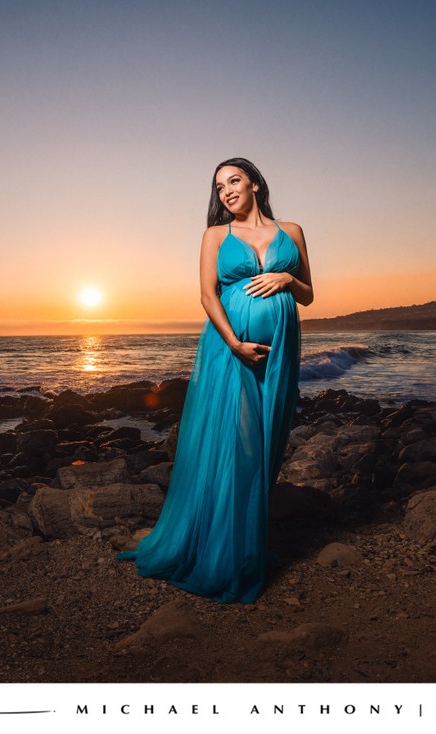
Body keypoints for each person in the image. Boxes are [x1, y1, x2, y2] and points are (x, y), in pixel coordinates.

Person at [117, 157, 313, 603]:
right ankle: (221, 555)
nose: (225, 191)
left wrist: (286, 277)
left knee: (266, 444)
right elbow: (207, 295)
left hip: (281, 350)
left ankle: (248, 546)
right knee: (234, 446)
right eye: (218, 186)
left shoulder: (293, 232)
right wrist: (235, 345)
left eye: (234, 181)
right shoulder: (214, 236)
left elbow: (309, 294)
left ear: (256, 184)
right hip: (230, 352)